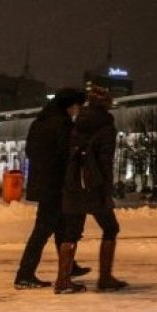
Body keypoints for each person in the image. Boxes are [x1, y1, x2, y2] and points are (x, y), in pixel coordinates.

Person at [13, 88, 91, 289]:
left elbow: (31, 152)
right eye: (78, 106)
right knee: (43, 231)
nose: (78, 110)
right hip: (56, 185)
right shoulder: (61, 124)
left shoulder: (41, 122)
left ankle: (69, 266)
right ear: (70, 105)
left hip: (45, 183)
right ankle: (25, 274)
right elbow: (65, 154)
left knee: (60, 227)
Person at [55, 86, 128, 294]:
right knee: (111, 227)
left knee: (71, 232)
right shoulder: (106, 126)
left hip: (73, 182)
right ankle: (105, 277)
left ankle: (63, 280)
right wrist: (107, 188)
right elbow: (105, 161)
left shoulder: (77, 122)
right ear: (106, 103)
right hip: (94, 186)